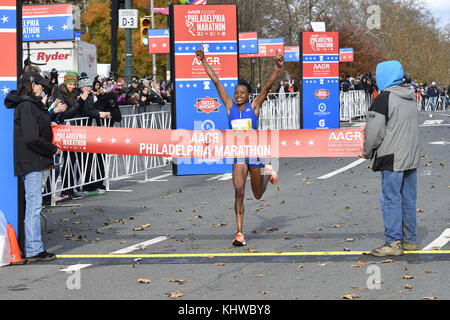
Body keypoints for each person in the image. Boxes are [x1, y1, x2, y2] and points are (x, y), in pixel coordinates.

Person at [196, 45, 282, 247]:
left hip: (255, 154)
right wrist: (203, 61)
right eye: (236, 92)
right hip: (238, 155)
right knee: (238, 190)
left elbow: (268, 87)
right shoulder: (230, 107)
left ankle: (267, 173)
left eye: (242, 92)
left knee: (258, 195)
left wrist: (277, 68)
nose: (238, 95)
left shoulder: (254, 106)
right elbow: (216, 82)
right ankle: (239, 233)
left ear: (248, 95)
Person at [360, 60, 420, 257]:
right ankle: (410, 239)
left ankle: (393, 242)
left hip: (391, 156)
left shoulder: (384, 98)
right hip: (411, 155)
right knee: (408, 199)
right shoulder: (410, 96)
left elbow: (373, 131)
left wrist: (367, 151)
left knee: (390, 199)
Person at [4, 71, 61, 262]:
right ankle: (34, 248)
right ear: (32, 85)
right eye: (40, 85)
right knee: (34, 206)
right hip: (32, 159)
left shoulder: (26, 104)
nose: (42, 88)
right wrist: (51, 149)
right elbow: (31, 137)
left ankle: (34, 247)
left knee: (33, 205)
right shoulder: (28, 106)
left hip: (31, 159)